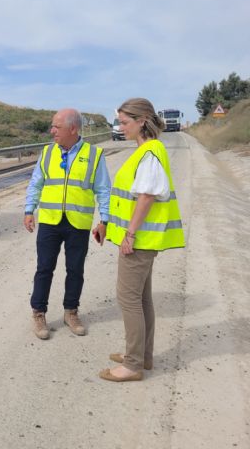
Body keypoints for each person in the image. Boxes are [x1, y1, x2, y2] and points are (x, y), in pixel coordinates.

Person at [99, 98, 184, 382]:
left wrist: (130, 234)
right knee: (142, 299)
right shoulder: (145, 150)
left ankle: (133, 364)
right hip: (143, 240)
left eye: (125, 122)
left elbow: (146, 196)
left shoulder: (150, 152)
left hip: (139, 241)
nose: (120, 127)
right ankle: (142, 356)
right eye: (120, 122)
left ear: (142, 121)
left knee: (128, 300)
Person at [24, 108, 111, 339]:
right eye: (52, 126)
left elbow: (104, 191)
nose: (52, 131)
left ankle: (71, 312)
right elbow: (36, 183)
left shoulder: (94, 155)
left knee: (75, 270)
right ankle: (39, 313)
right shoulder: (47, 153)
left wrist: (104, 220)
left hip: (78, 223)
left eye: (57, 127)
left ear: (73, 129)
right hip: (50, 221)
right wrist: (29, 210)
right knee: (44, 269)